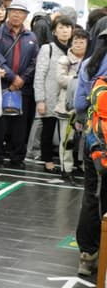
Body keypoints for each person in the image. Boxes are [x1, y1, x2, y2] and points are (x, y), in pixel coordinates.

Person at [0, 0, 39, 169]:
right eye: (13, 11)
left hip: (22, 87)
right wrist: (12, 77)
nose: (17, 15)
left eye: (21, 12)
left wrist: (22, 79)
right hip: (1, 86)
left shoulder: (31, 36)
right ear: (8, 13)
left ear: (25, 16)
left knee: (20, 125)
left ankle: (18, 158)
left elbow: (34, 61)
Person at [74, 28, 107, 277]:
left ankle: (88, 255)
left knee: (92, 195)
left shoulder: (89, 64)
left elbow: (79, 105)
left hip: (95, 141)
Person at [34, 15, 74, 174]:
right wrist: (40, 100)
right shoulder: (47, 48)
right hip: (49, 96)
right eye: (61, 28)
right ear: (54, 31)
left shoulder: (73, 50)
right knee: (48, 130)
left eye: (68, 27)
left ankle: (65, 162)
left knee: (67, 132)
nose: (65, 31)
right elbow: (39, 75)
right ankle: (48, 160)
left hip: (67, 99)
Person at [54, 28, 89, 184]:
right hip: (66, 106)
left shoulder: (90, 61)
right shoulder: (64, 60)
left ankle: (82, 166)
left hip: (85, 107)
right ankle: (65, 169)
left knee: (84, 140)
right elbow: (61, 80)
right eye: (76, 41)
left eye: (82, 42)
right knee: (67, 140)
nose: (78, 45)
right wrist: (80, 79)